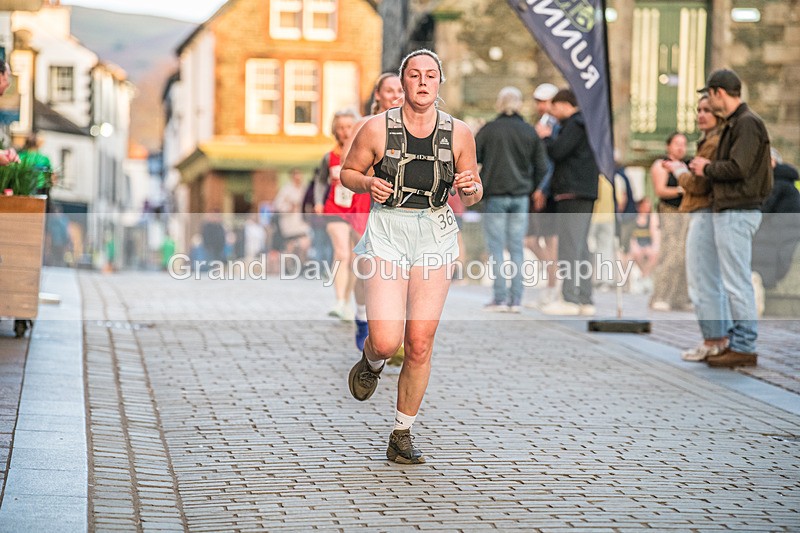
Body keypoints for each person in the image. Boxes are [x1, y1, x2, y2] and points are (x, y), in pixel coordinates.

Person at [340, 49, 482, 464]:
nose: (423, 82)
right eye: (415, 75)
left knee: (419, 343)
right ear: (402, 83)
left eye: (431, 75)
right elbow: (348, 174)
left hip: (435, 233)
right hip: (387, 229)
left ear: (440, 83)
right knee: (387, 340)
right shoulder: (375, 129)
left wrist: (471, 188)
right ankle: (370, 361)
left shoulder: (460, 133)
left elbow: (472, 193)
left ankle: (401, 433)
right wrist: (368, 183)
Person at [690, 68, 772, 367]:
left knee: (737, 281)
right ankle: (737, 341)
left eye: (709, 96)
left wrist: (706, 168)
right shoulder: (736, 123)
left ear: (718, 92)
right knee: (731, 280)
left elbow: (739, 167)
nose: (708, 104)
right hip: (731, 208)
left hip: (738, 209)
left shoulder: (746, 124)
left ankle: (744, 344)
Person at [663, 94, 729, 361]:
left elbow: (699, 185)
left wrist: (680, 172)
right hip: (703, 212)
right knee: (708, 280)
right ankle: (715, 337)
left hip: (703, 210)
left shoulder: (713, 142)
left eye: (707, 110)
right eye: (698, 110)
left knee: (703, 281)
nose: (701, 115)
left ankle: (713, 339)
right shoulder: (708, 141)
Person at [343, 73, 404, 352]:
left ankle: (391, 329)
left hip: (397, 204)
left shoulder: (411, 125)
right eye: (389, 90)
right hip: (365, 201)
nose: (395, 95)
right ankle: (361, 315)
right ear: (377, 94)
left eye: (399, 90)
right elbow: (348, 166)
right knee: (366, 266)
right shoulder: (364, 125)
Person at [476, 86, 547, 312]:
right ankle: (516, 300)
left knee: (496, 248)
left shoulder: (489, 130)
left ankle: (499, 298)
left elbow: (472, 157)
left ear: (499, 103)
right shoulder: (529, 131)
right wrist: (532, 187)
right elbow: (542, 166)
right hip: (520, 196)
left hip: (495, 194)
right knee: (517, 247)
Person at [535, 88, 599, 316]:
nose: (552, 112)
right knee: (580, 246)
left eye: (554, 107)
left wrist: (545, 137)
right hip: (583, 191)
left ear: (564, 105)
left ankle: (571, 298)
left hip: (572, 191)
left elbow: (558, 151)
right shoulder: (586, 124)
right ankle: (584, 298)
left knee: (571, 246)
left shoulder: (574, 124)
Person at [313, 109, 367, 321]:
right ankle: (339, 301)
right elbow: (319, 181)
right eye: (341, 127)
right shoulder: (330, 156)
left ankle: (347, 300)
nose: (345, 132)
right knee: (342, 253)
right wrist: (318, 202)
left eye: (349, 127)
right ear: (335, 130)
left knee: (356, 259)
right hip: (335, 209)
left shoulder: (364, 153)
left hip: (359, 209)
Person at [751, 150, 800, 313]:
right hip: (784, 229)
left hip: (779, 231)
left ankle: (753, 303)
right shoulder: (784, 181)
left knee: (754, 266)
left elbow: (764, 209)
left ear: (773, 162)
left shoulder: (777, 183)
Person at [526, 83, 560, 306]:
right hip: (537, 187)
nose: (541, 106)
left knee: (549, 241)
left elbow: (551, 163)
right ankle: (552, 283)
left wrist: (542, 189)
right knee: (532, 240)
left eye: (545, 102)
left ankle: (553, 286)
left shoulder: (554, 126)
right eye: (538, 102)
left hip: (546, 190)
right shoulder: (542, 124)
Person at [649, 132, 691, 312]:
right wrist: (682, 190)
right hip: (670, 211)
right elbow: (660, 190)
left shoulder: (687, 165)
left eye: (684, 144)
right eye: (676, 144)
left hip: (687, 211)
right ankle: (660, 295)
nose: (681, 147)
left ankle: (680, 297)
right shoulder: (662, 165)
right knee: (671, 253)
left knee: (686, 255)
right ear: (668, 146)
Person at [274, 168, 312, 266]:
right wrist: (289, 207)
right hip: (289, 225)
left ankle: (302, 267)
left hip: (303, 224)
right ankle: (289, 268)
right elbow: (277, 205)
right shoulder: (286, 190)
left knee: (304, 246)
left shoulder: (305, 189)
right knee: (290, 249)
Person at [628, 197, 660, 287]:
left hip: (648, 245)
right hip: (637, 246)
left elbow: (655, 236)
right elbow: (632, 237)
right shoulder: (634, 218)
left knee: (654, 255)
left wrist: (651, 247)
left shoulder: (652, 218)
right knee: (637, 254)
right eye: (645, 206)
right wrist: (638, 247)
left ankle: (644, 276)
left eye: (648, 206)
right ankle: (644, 277)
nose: (647, 208)